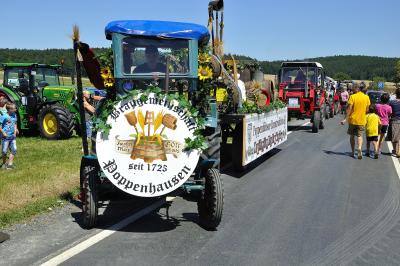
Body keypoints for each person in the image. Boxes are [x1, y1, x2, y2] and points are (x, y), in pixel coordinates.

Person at [341, 83, 371, 159]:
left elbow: (349, 109)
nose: (352, 89)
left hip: (353, 120)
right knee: (360, 135)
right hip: (362, 120)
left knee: (352, 136)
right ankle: (360, 148)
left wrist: (345, 119)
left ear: (357, 89)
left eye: (353, 88)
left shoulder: (352, 97)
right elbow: (367, 110)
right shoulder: (366, 97)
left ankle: (353, 152)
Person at [0, 103, 18, 169]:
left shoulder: (14, 115)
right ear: (9, 110)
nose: (15, 109)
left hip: (12, 137)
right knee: (4, 151)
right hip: (5, 137)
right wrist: (3, 133)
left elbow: (15, 123)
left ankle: (10, 164)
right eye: (13, 109)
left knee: (14, 150)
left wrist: (15, 130)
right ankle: (4, 163)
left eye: (15, 108)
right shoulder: (4, 116)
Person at [389, 88, 400, 157]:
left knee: (394, 137)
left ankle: (396, 150)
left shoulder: (392, 102)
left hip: (395, 120)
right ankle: (396, 150)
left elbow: (389, 112)